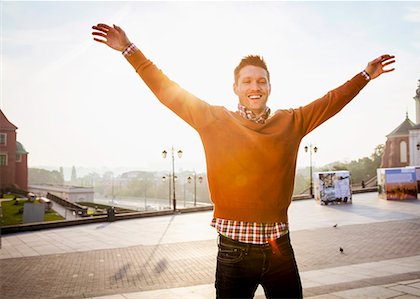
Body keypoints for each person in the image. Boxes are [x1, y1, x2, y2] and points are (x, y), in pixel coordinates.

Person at [92, 23, 395, 299]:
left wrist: (366, 75)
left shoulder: (291, 122)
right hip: (233, 254)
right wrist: (129, 49)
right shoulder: (214, 119)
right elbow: (166, 89)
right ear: (235, 88)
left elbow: (332, 101)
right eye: (247, 81)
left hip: (280, 250)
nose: (255, 87)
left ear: (269, 87)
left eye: (261, 81)